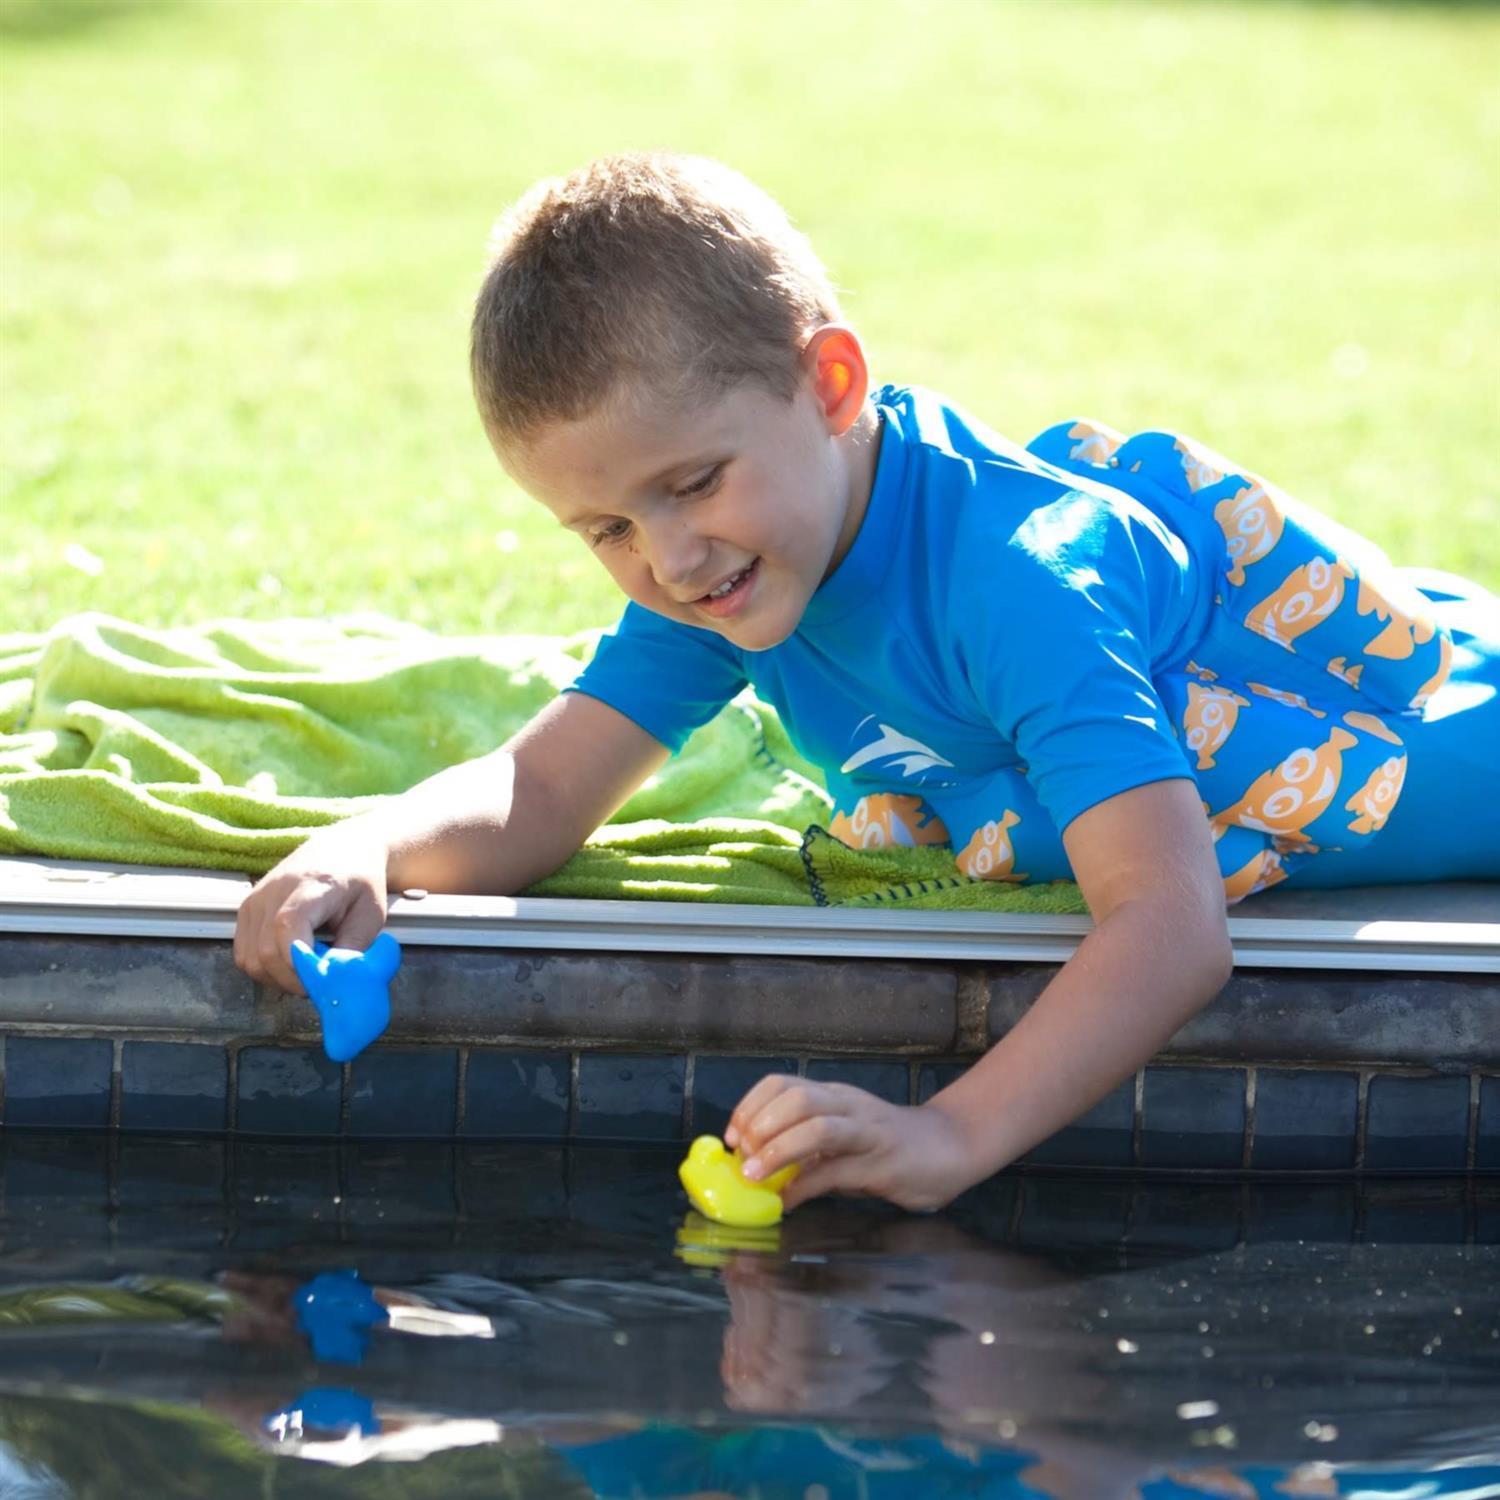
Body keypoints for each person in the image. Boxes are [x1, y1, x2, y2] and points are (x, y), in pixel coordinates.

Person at [234, 152, 1499, 1214]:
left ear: (831, 384)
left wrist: (944, 1134)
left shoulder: (1019, 585)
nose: (666, 559)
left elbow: (1170, 928)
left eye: (691, 484)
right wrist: (370, 844)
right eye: (606, 530)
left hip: (1391, 728)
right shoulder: (728, 568)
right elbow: (547, 785)